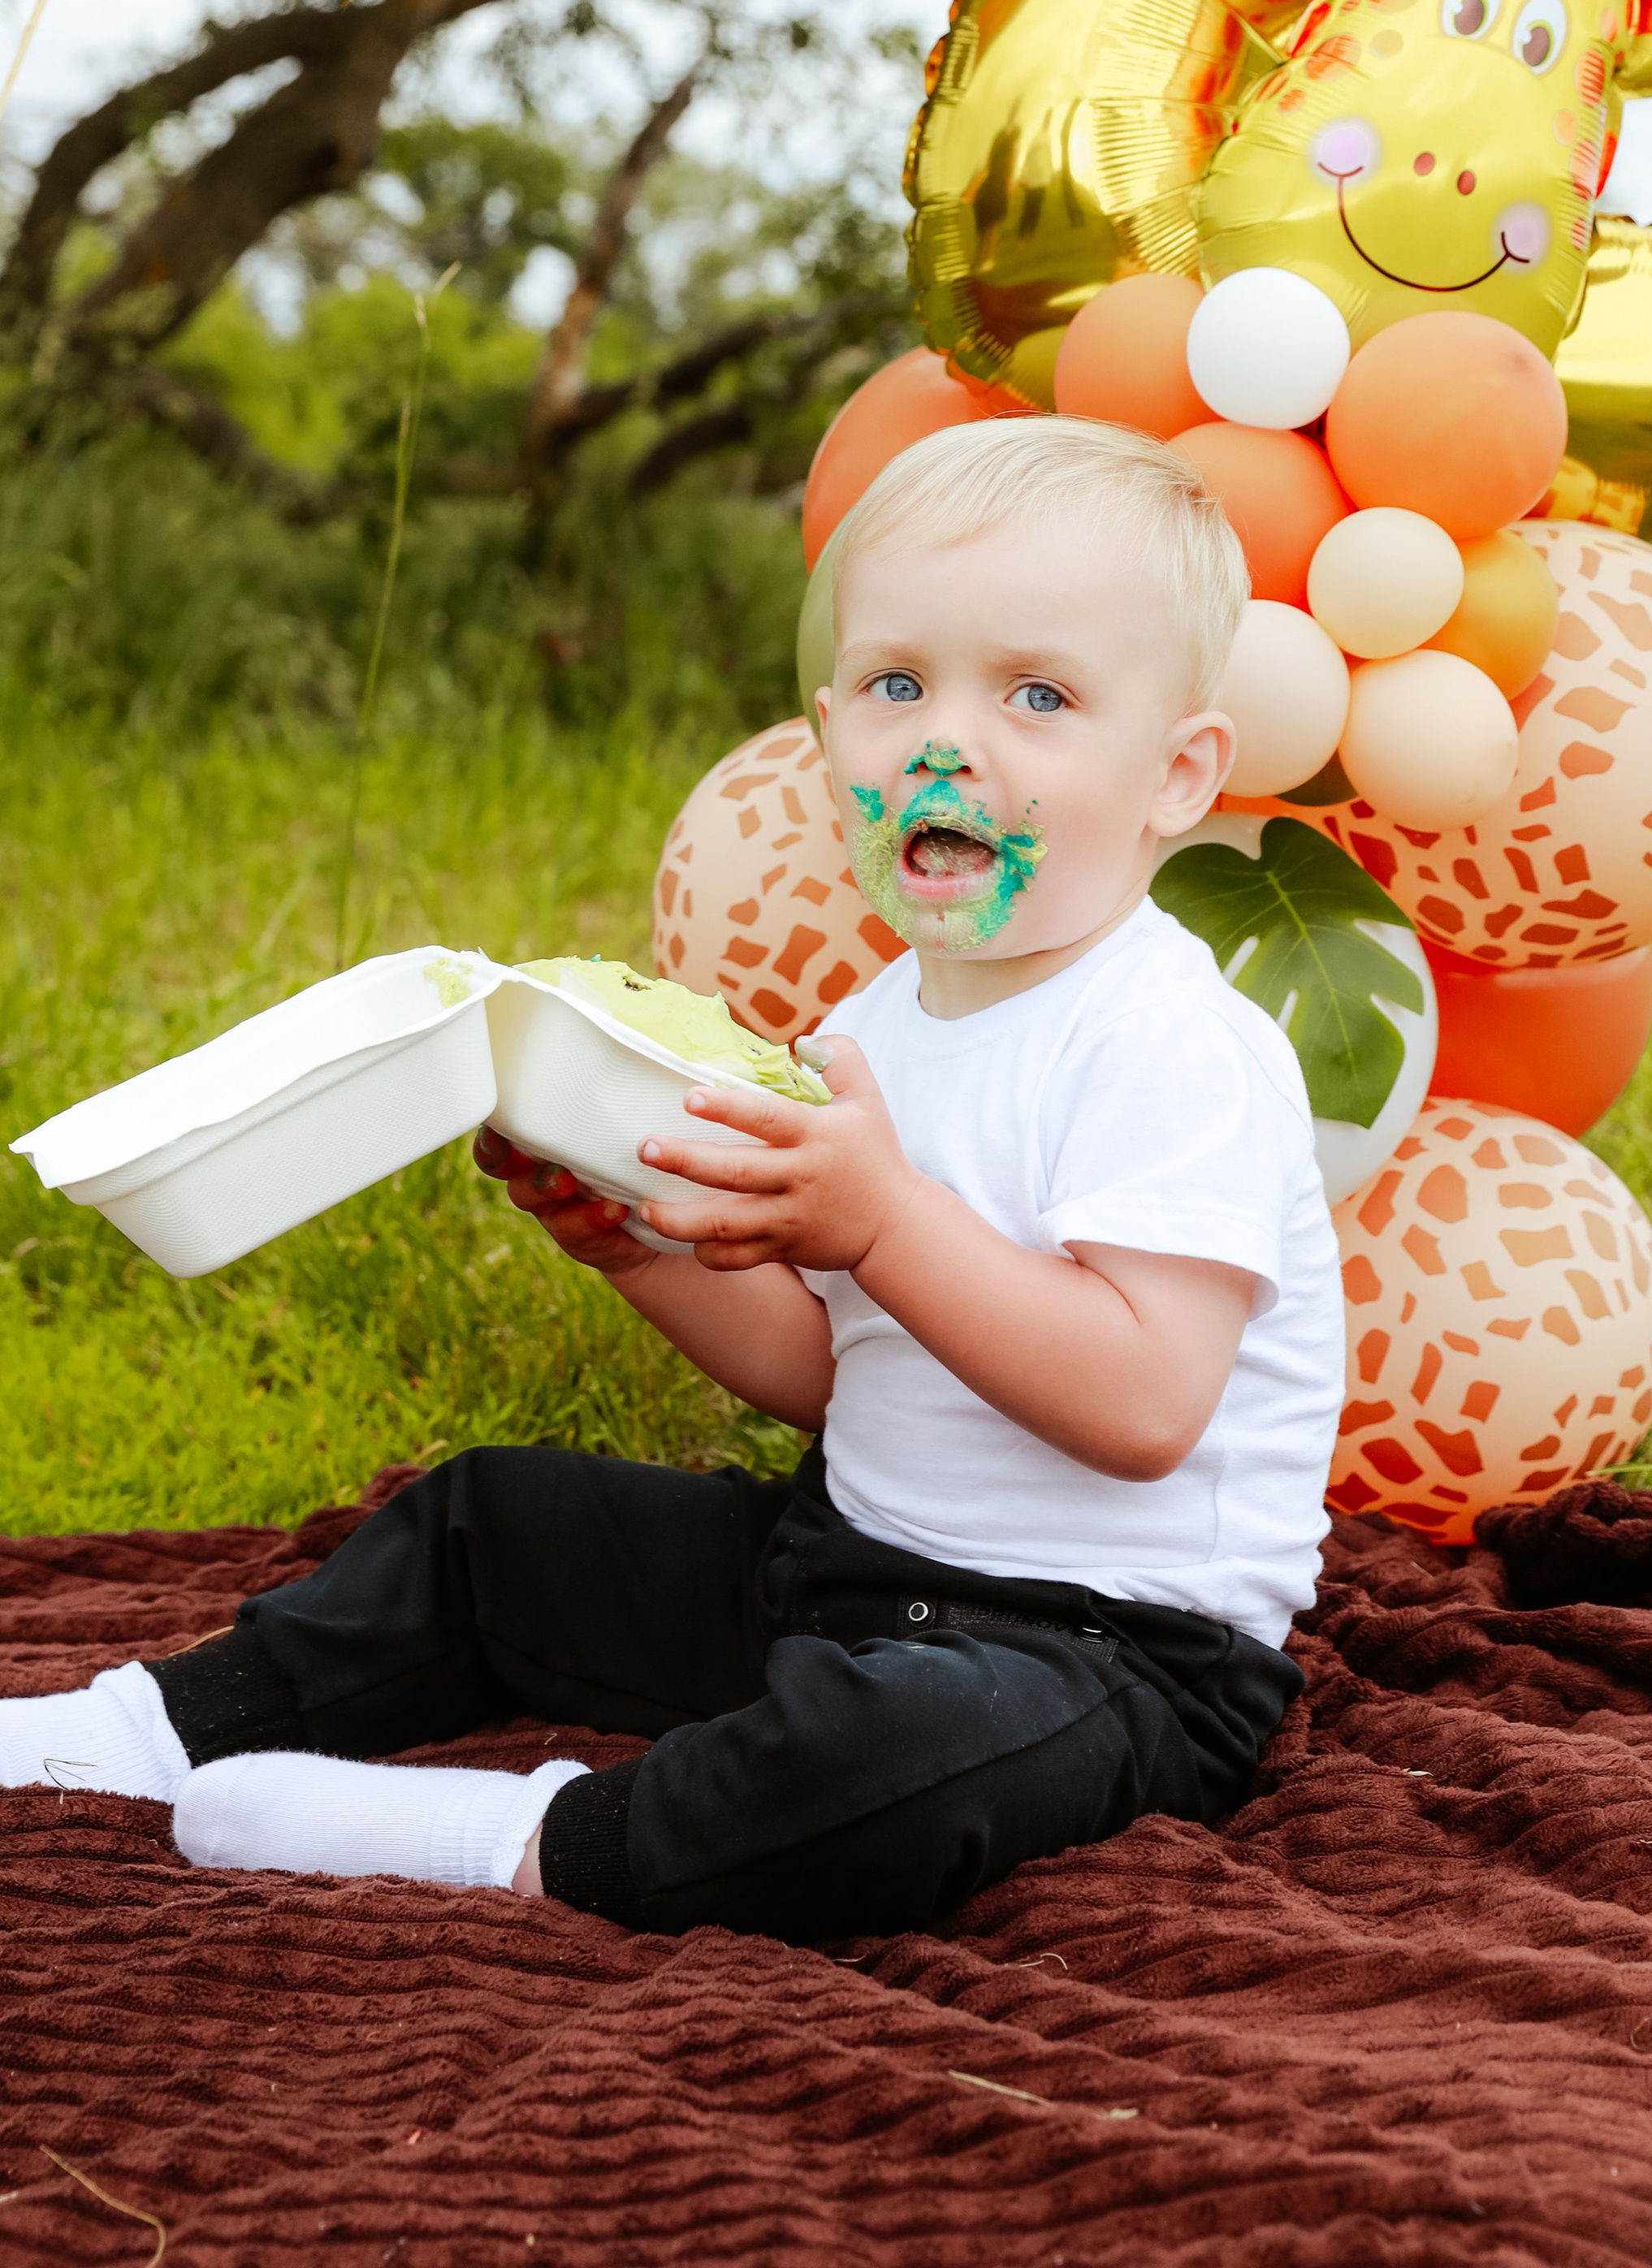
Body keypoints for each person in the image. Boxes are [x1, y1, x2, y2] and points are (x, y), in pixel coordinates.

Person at [0, 419, 1344, 1938]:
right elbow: (838, 1375)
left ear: (1178, 776)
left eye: (1039, 696)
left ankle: (531, 1840)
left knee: (892, 1766)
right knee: (493, 1521)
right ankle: (148, 1730)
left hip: (1107, 1656)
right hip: (837, 1568)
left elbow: (1146, 1408)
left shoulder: (1176, 1045)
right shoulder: (865, 1034)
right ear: (832, 731)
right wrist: (643, 1255)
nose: (946, 744)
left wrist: (886, 1220)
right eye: (900, 686)